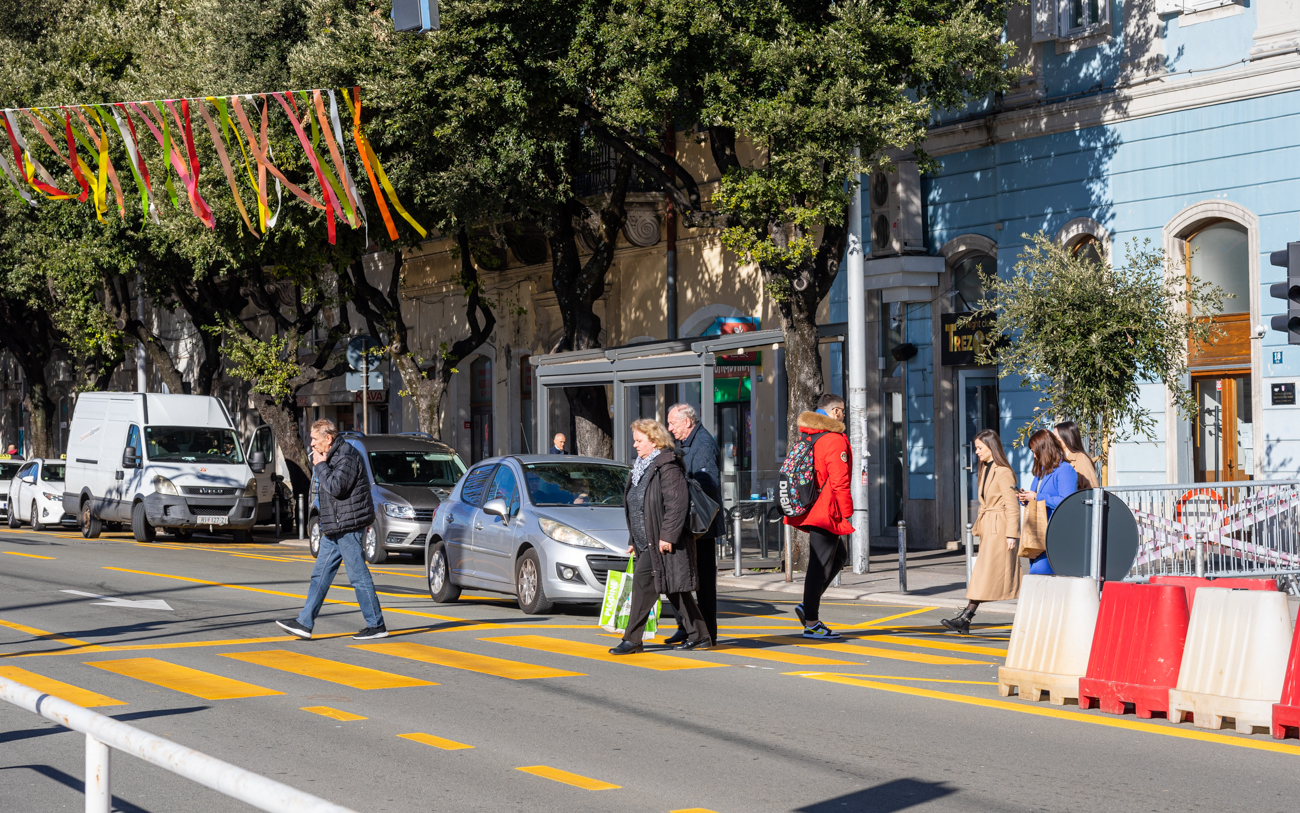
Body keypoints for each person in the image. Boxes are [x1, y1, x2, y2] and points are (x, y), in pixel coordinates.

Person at [277, 419, 388, 640]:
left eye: (314, 439)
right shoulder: (333, 456)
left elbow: (337, 488)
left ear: (328, 439)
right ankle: (304, 622)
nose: (312, 444)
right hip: (335, 527)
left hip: (348, 526)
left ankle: (376, 625)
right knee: (320, 575)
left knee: (358, 576)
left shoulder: (346, 456)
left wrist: (320, 466)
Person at [608, 419, 710, 655]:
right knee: (674, 588)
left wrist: (668, 536)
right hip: (647, 541)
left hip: (662, 540)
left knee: (643, 587)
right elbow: (636, 505)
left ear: (654, 441)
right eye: (634, 440)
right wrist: (634, 540)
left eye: (639, 440)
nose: (634, 445)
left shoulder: (667, 465)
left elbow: (677, 505)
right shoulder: (642, 466)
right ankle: (700, 635)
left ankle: (632, 639)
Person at [785, 393, 854, 640]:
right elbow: (840, 481)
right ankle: (812, 622)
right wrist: (847, 512)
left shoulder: (809, 435)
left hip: (813, 507)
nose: (844, 415)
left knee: (838, 557)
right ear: (834, 412)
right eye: (843, 411)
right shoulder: (833, 439)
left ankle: (807, 606)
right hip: (827, 510)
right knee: (819, 565)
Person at [943, 429, 1020, 634]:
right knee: (984, 576)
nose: (976, 451)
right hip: (990, 527)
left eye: (979, 448)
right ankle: (966, 619)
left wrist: (1012, 534)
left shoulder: (1003, 471)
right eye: (976, 448)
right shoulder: (987, 468)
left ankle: (966, 618)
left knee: (988, 575)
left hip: (1000, 528)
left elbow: (1012, 505)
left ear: (991, 447)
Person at [665, 402, 721, 645]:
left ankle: (707, 633)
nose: (670, 428)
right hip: (691, 524)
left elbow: (707, 485)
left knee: (704, 582)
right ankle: (686, 627)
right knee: (683, 577)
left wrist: (680, 485)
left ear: (687, 422)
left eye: (673, 423)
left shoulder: (703, 444)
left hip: (702, 526)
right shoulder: (686, 442)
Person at [1018, 428, 1080, 576]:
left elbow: (1067, 501)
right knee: (1039, 575)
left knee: (1039, 575)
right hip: (1038, 531)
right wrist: (1025, 498)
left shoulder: (1065, 470)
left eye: (1035, 451)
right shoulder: (1042, 471)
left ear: (1045, 449)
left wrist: (1036, 497)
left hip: (1054, 531)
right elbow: (1037, 497)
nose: (1033, 455)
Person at [1053, 421, 1098, 489]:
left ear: (1066, 437)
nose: (1053, 441)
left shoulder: (1080, 458)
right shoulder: (1058, 458)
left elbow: (1091, 487)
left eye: (1056, 437)